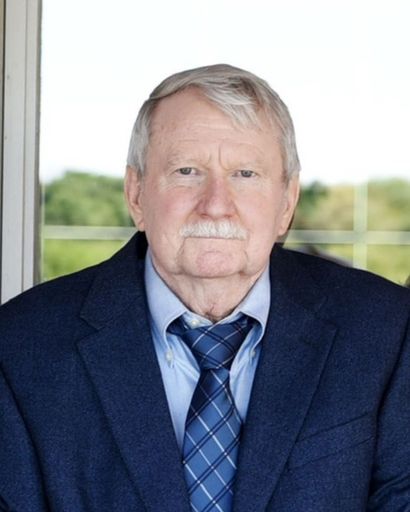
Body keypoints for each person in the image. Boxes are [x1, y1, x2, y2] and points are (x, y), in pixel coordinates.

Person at [0, 64, 409, 512]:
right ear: (136, 194)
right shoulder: (20, 345)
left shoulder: (386, 330)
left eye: (245, 174)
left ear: (287, 202)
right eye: (187, 170)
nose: (216, 205)